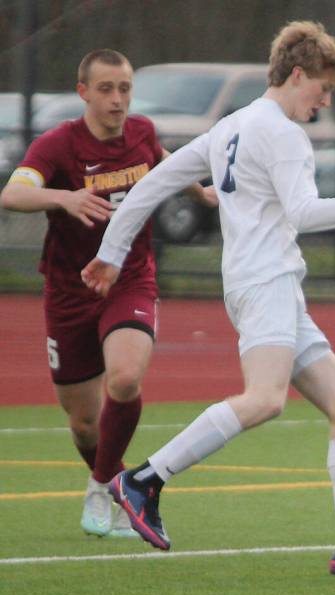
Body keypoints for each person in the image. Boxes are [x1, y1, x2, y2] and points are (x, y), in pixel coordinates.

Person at [82, 21, 335, 576]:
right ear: (296, 74)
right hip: (265, 284)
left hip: (265, 285)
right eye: (323, 88)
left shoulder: (233, 126)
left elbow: (152, 183)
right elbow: (304, 213)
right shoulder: (283, 133)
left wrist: (112, 251)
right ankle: (142, 480)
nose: (326, 101)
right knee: (264, 399)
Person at [0, 49, 214, 538]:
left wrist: (198, 190)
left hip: (128, 278)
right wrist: (62, 196)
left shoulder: (141, 132)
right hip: (69, 292)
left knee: (123, 378)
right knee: (82, 423)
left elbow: (161, 163)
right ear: (83, 93)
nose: (117, 100)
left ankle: (102, 487)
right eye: (106, 89)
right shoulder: (57, 146)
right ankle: (116, 479)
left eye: (124, 89)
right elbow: (13, 193)